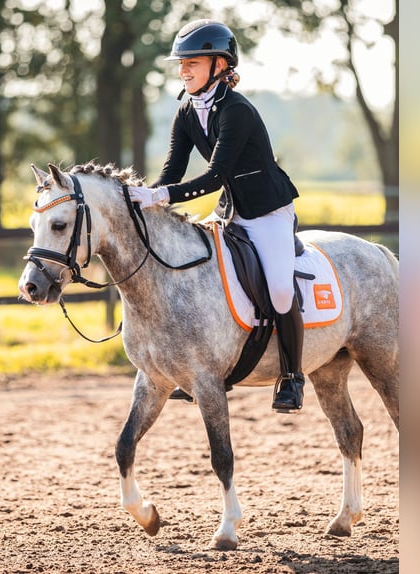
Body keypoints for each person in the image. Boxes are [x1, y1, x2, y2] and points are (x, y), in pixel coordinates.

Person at [127, 19, 305, 413]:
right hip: (230, 211)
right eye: (181, 62)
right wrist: (144, 200)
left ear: (220, 65)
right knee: (201, 278)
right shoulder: (188, 112)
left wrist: (159, 195)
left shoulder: (237, 110)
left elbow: (214, 176)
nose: (183, 69)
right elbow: (172, 171)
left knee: (278, 289)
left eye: (193, 61)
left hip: (268, 211)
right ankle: (203, 368)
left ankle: (292, 377)